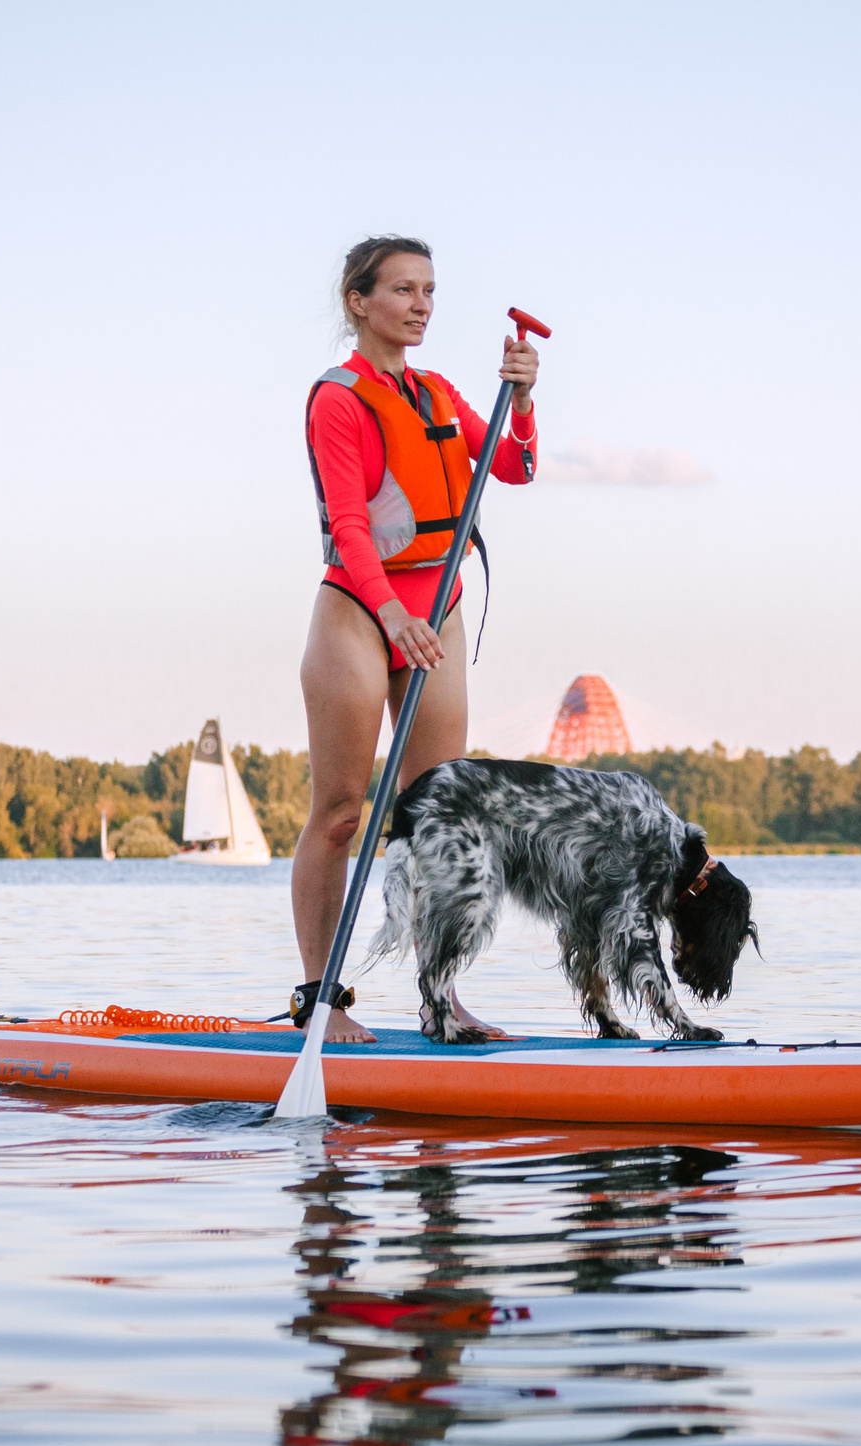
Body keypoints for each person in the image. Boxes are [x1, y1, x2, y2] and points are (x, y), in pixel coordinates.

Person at [292, 235, 540, 1042]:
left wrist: (525, 403)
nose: (421, 304)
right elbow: (351, 525)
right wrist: (391, 613)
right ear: (359, 302)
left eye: (429, 290)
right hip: (361, 614)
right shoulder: (339, 399)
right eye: (402, 289)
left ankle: (442, 1000)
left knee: (438, 815)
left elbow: (511, 466)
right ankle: (321, 1000)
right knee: (339, 813)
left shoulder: (436, 392)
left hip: (437, 606)